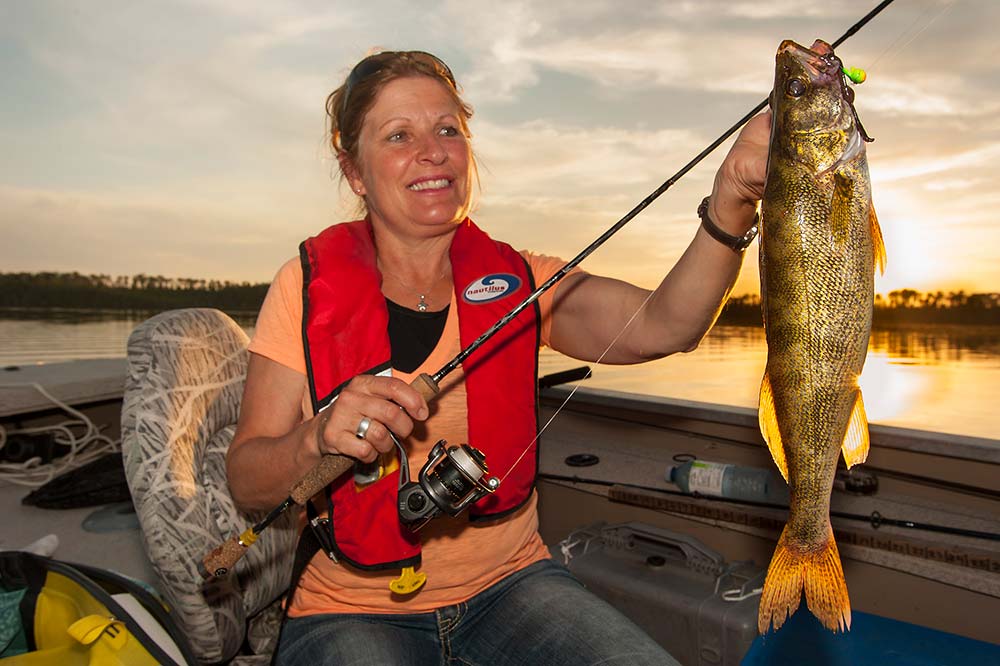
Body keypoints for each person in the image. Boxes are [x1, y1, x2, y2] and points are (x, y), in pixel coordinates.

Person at [226, 50, 769, 665]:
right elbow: (247, 478)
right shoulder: (301, 288)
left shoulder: (522, 281)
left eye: (448, 129)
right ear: (354, 171)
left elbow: (669, 324)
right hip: (349, 610)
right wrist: (317, 437)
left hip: (513, 587)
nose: (433, 151)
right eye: (399, 135)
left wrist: (731, 199)